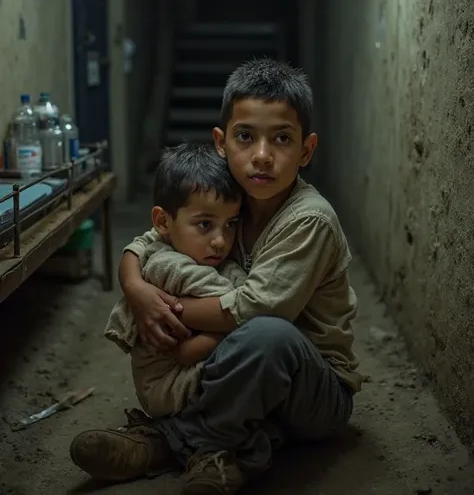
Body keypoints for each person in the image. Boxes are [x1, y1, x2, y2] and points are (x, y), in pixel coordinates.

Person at [71, 58, 362, 495]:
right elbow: (153, 237)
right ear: (222, 143)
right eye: (246, 137)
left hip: (311, 389)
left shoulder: (309, 220)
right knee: (180, 274)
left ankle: (176, 443)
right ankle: (226, 440)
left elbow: (255, 309)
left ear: (306, 150)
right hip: (238, 374)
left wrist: (170, 309)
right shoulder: (231, 197)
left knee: (268, 334)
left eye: (282, 139)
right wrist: (135, 288)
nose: (262, 156)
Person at [104, 142, 246, 418]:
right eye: (205, 224)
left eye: (231, 225)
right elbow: (240, 305)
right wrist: (222, 336)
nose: (220, 241)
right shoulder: (169, 264)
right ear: (163, 222)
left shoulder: (188, 247)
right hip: (170, 386)